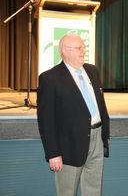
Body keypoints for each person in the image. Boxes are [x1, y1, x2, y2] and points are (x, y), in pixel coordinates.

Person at [37, 33, 110, 196]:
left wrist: (105, 134)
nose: (84, 51)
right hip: (68, 145)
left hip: (96, 138)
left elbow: (101, 105)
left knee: (93, 189)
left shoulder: (92, 71)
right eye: (79, 48)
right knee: (67, 191)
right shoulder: (50, 78)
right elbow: (45, 120)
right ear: (65, 50)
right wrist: (53, 153)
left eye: (83, 47)